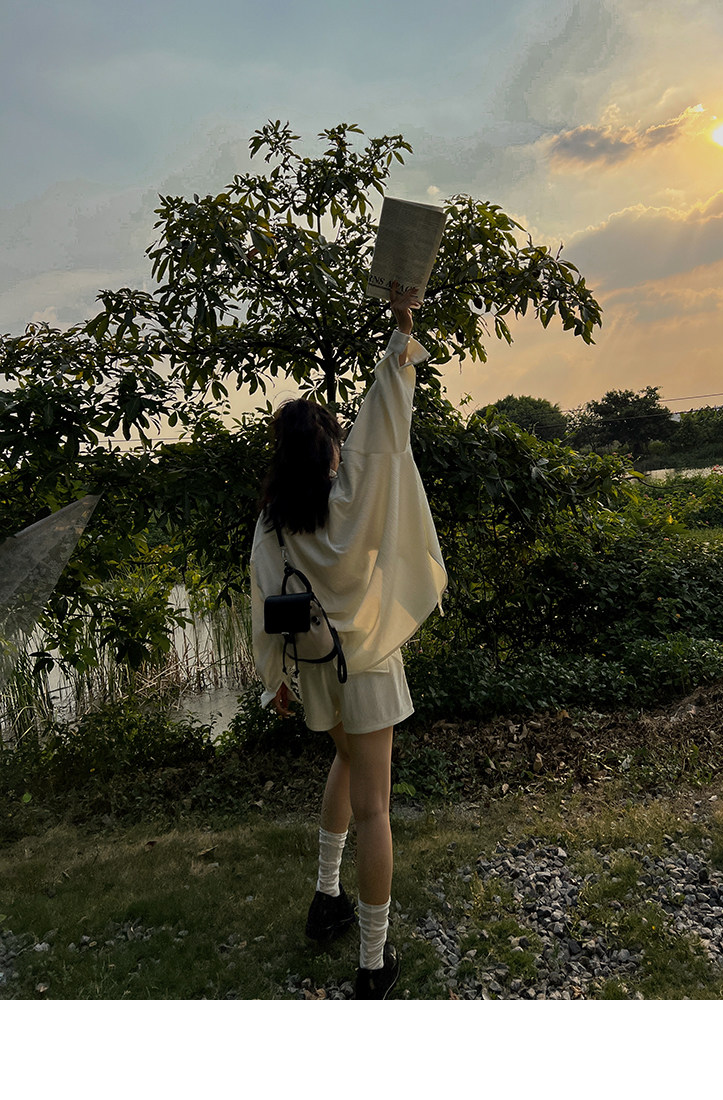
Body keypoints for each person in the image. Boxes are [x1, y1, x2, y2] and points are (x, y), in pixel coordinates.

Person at [250, 284, 447, 999]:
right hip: (367, 667)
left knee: (345, 762)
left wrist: (274, 677)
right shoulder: (352, 495)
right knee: (376, 811)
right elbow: (384, 421)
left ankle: (326, 898)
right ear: (332, 448)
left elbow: (263, 602)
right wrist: (401, 330)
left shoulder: (273, 523)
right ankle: (371, 964)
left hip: (315, 672)